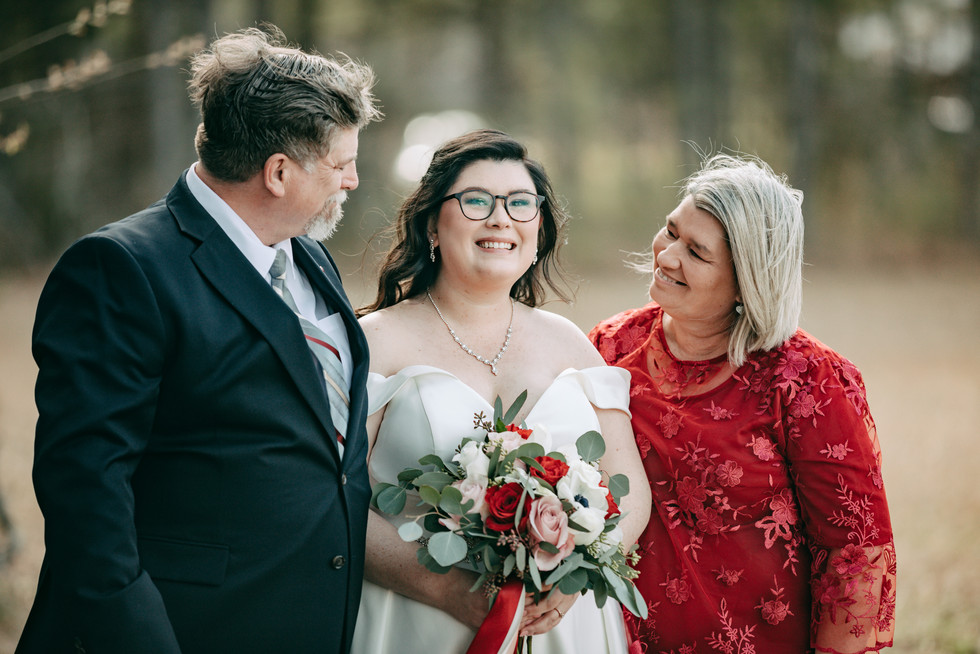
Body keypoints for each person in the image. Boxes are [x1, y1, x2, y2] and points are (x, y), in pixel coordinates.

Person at [17, 26, 381, 654]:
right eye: (342, 164)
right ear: (278, 172)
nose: (350, 181)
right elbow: (86, 499)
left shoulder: (308, 258)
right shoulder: (121, 268)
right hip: (187, 631)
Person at [351, 129, 651, 653]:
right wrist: (446, 590)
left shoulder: (570, 343)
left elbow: (631, 490)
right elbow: (336, 500)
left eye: (519, 203)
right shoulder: (376, 341)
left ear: (537, 231)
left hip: (564, 626)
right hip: (419, 621)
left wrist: (577, 576)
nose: (500, 218)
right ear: (431, 227)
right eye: (475, 201)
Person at [590, 153, 896, 653]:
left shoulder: (805, 380)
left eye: (696, 252)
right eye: (670, 231)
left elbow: (854, 553)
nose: (666, 256)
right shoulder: (608, 348)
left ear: (746, 280)